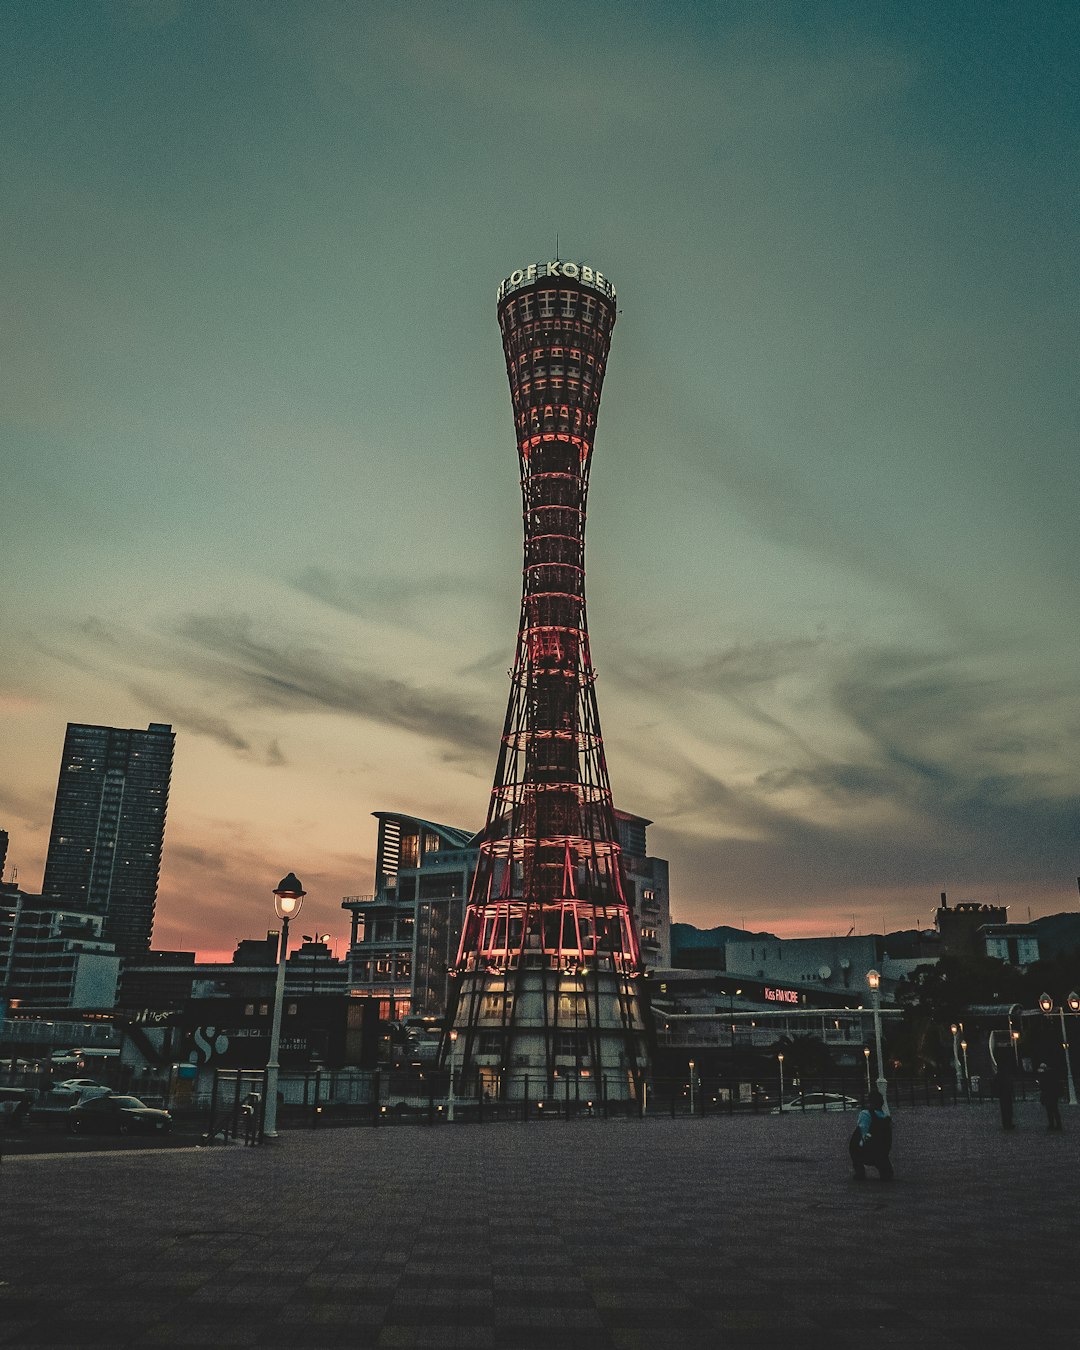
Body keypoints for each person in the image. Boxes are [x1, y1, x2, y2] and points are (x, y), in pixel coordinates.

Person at [849, 1090, 893, 1180]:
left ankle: (860, 1171)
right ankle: (885, 1170)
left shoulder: (865, 1114)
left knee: (855, 1139)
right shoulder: (886, 1118)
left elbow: (862, 1131)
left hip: (866, 1151)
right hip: (881, 1152)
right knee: (886, 1172)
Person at [1037, 1063, 1062, 1131]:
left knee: (1049, 1111)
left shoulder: (1044, 1075)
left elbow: (1042, 1086)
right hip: (1054, 1094)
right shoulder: (1052, 1074)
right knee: (1055, 1110)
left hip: (1047, 1095)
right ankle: (1059, 1124)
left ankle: (1051, 1125)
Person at [995, 1058, 1016, 1130]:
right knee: (1007, 1110)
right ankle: (1008, 1124)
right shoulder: (1005, 1075)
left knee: (1006, 1110)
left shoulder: (1000, 1075)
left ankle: (1007, 1124)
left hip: (1004, 1094)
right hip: (1005, 1094)